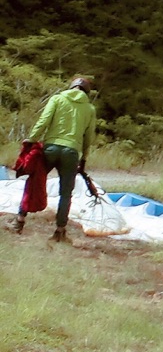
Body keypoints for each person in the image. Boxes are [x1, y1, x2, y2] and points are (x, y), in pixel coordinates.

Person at [9, 76, 101, 242]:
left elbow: (43, 121)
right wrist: (84, 158)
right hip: (72, 152)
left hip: (50, 148)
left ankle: (19, 221)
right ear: (87, 92)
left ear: (71, 87)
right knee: (66, 194)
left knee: (34, 180)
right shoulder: (89, 109)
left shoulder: (57, 99)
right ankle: (59, 232)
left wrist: (31, 140)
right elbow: (88, 137)